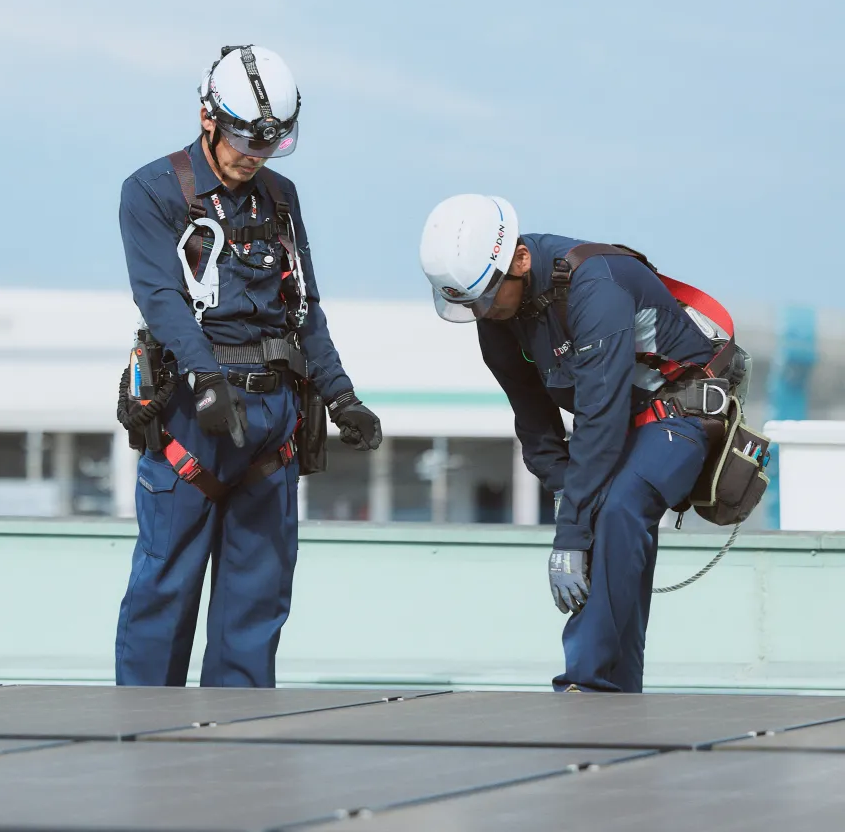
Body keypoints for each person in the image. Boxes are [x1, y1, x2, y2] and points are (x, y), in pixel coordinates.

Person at [115, 45, 382, 687]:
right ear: (208, 116)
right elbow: (160, 297)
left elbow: (304, 308)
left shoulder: (280, 198)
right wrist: (206, 380)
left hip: (272, 425)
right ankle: (140, 742)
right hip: (191, 419)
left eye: (269, 144)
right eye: (242, 139)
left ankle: (236, 745)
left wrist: (342, 396)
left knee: (256, 602)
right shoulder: (151, 191)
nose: (253, 156)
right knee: (164, 592)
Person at [418, 194, 733, 693]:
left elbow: (599, 417)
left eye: (486, 298)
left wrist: (570, 533)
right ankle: (618, 691)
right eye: (470, 304)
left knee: (617, 509)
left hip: (681, 416)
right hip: (618, 426)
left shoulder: (596, 285)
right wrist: (565, 488)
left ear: (519, 260)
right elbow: (534, 420)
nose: (483, 312)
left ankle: (586, 685)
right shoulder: (496, 312)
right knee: (603, 520)